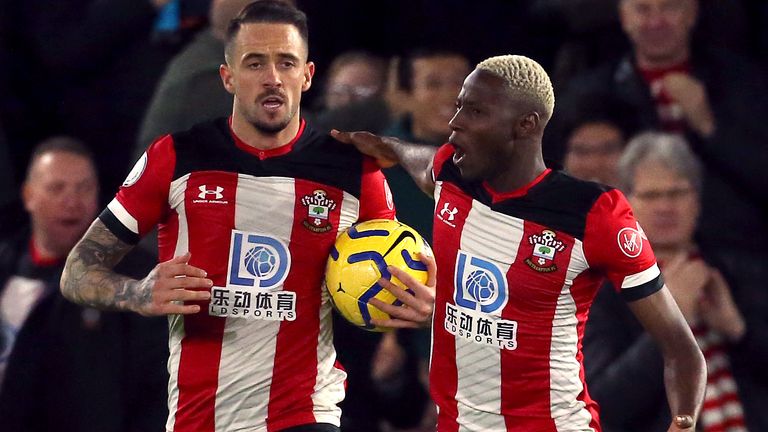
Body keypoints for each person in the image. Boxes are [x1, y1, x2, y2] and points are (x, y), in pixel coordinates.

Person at [59, 2, 405, 431]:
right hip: (200, 418)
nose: (273, 78)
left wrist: (414, 306)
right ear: (228, 77)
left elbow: (390, 278)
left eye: (286, 63)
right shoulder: (176, 157)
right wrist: (140, 293)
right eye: (255, 63)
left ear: (308, 75)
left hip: (305, 414)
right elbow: (77, 270)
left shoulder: (353, 170)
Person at [332, 54, 706, 431]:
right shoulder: (452, 174)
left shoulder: (593, 214)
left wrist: (685, 421)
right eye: (460, 107)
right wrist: (387, 146)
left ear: (526, 125)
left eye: (475, 112)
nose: (455, 122)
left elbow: (681, 348)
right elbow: (423, 162)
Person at [546, 0, 768, 321]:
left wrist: (709, 126)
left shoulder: (743, 82)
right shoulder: (589, 93)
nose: (656, 21)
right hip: (627, 260)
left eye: (669, 8)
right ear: (623, 16)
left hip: (739, 257)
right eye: (643, 9)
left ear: (693, 12)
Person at [584, 132, 768, 432]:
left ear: (697, 199)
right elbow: (605, 406)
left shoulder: (735, 270)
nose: (665, 206)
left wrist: (739, 330)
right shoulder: (602, 290)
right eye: (651, 195)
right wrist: (670, 321)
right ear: (626, 203)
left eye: (677, 193)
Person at [0, 136, 166, 431]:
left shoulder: (134, 279)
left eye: (84, 188)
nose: (72, 201)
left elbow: (155, 389)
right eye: (57, 188)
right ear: (28, 195)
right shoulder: (6, 262)